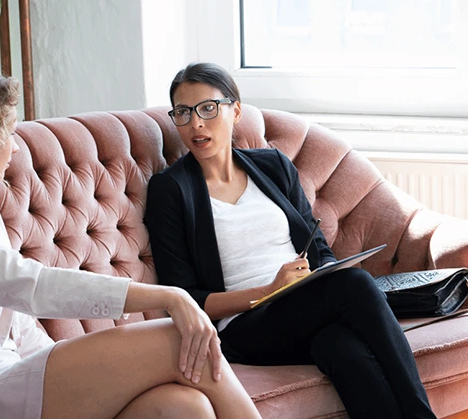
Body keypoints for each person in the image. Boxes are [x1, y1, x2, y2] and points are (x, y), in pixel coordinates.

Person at [0, 61, 262, 419]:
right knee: (179, 339)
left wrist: (66, 368)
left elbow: (15, 320)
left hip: (5, 369)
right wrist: (169, 296)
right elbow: (25, 284)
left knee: (184, 407)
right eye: (7, 133)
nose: (15, 146)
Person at [144, 61, 437, 419]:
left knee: (338, 346)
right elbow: (186, 298)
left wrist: (321, 273)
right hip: (242, 327)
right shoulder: (170, 189)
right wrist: (270, 290)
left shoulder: (273, 166)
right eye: (183, 113)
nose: (196, 124)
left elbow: (319, 250)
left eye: (208, 108)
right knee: (355, 284)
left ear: (235, 111)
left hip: (301, 308)